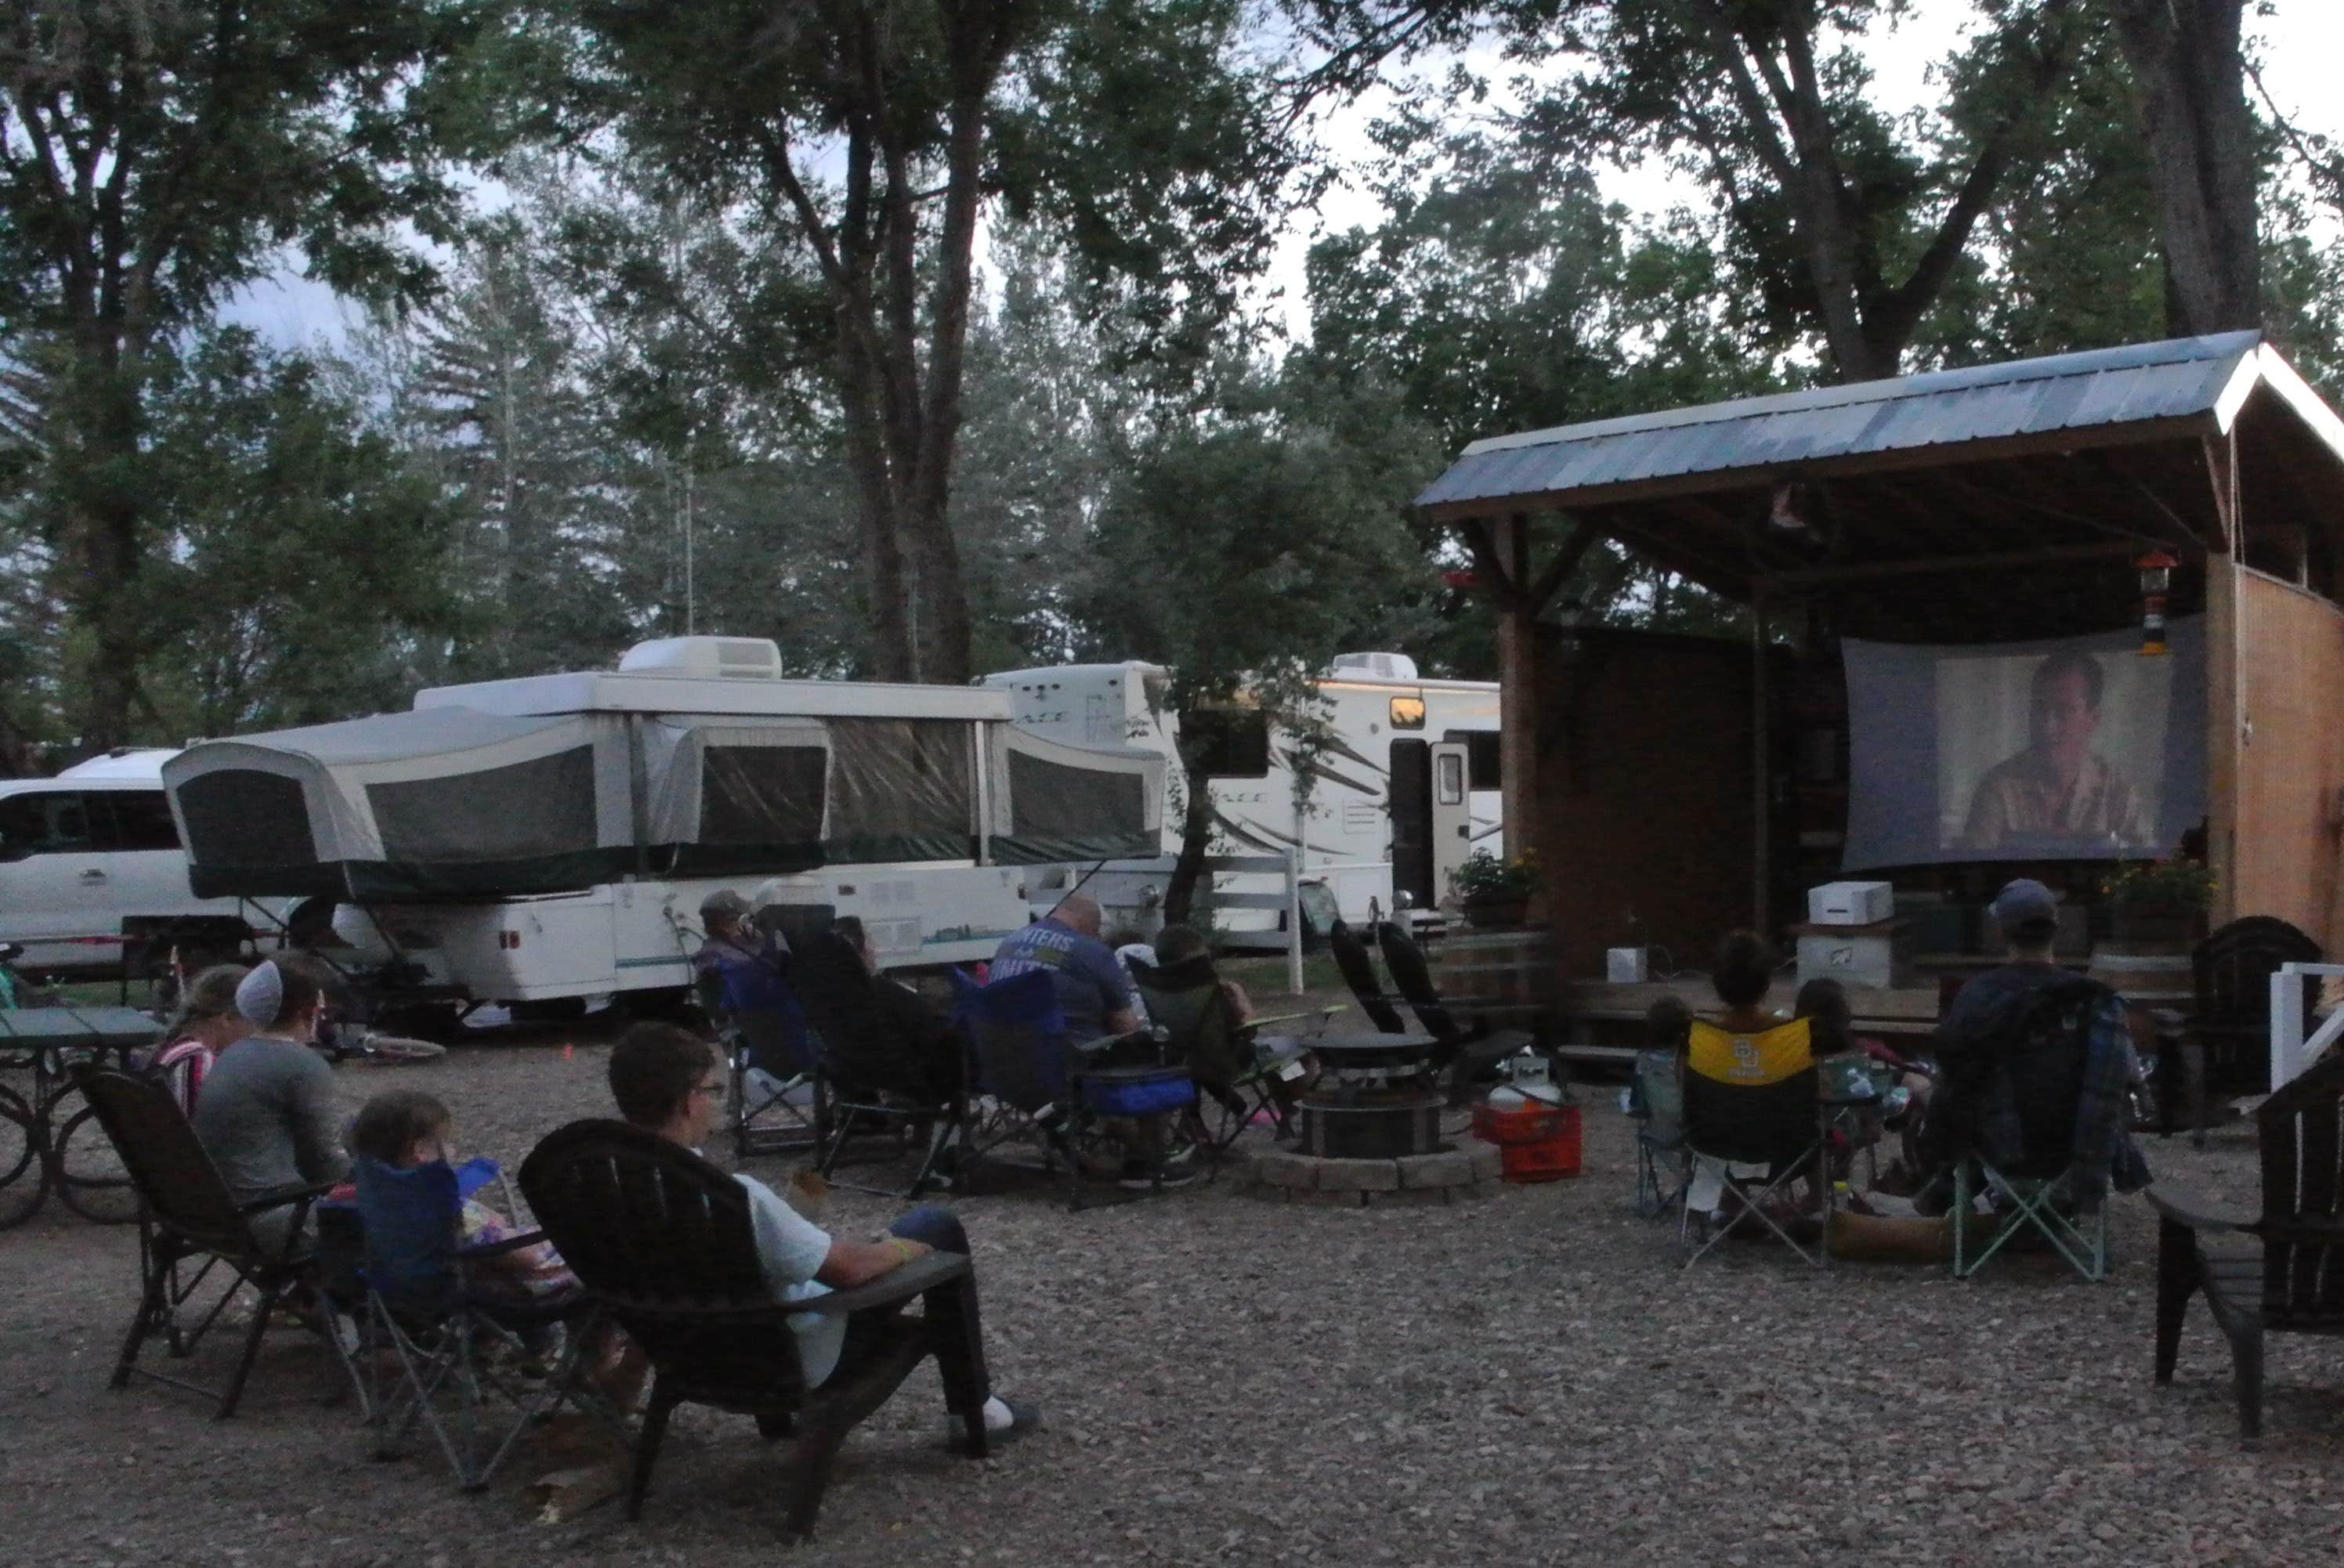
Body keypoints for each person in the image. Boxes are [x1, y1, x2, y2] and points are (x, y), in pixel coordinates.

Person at [607, 1022, 1036, 1444]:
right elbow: (846, 1272)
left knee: (842, 1242)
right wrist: (902, 1249)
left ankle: (974, 1409)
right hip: (790, 1359)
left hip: (690, 1359)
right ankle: (976, 1411)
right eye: (712, 1091)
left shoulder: (608, 1191)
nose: (715, 1103)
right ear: (688, 1101)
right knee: (933, 1227)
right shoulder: (734, 1198)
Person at [346, 1089, 645, 1400]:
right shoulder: (447, 1210)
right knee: (599, 1277)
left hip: (411, 1285)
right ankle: (600, 1373)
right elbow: (525, 1258)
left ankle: (545, 1355)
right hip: (479, 1291)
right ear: (420, 1150)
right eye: (446, 1142)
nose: (453, 1149)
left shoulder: (383, 1193)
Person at [1912, 878, 2149, 1211]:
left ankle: (1949, 1196)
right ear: (2055, 929)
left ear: (2000, 931)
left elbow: (1954, 1079)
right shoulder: (2097, 1000)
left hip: (1997, 1143)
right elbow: (2127, 1077)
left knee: (1928, 1088)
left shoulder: (1977, 996)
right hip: (2081, 1144)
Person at [190, 953, 350, 1251]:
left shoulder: (234, 1053)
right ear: (311, 1011)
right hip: (271, 1213)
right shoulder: (302, 1064)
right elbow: (324, 1164)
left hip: (219, 1207)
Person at [1959, 649, 2150, 852]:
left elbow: (2148, 874)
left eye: (2064, 711)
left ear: (2093, 718)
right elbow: (1974, 873)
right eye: (2040, 709)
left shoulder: (2119, 795)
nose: (2047, 726)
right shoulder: (1998, 789)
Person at [830, 913, 964, 1098]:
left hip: (863, 1077)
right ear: (857, 950)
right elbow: (932, 1028)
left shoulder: (835, 997)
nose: (875, 947)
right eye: (870, 940)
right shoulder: (882, 992)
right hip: (918, 1078)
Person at [987, 892, 1142, 1051]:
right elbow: (1126, 1027)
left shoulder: (1009, 942)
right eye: (1097, 933)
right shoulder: (1092, 951)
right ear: (1090, 926)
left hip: (1007, 1054)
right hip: (1074, 1058)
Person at [148, 963, 254, 1117]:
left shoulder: (180, 1047)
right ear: (227, 1019)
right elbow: (192, 1131)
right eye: (256, 1022)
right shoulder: (195, 1059)